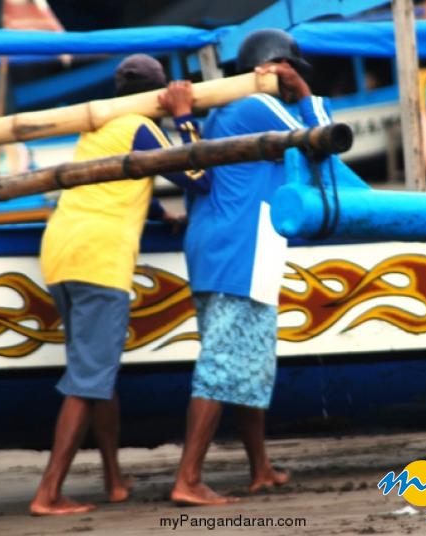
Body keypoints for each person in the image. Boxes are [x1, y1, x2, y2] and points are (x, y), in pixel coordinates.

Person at [31, 54, 209, 516]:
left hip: (61, 250)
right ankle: (48, 493)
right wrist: (185, 116)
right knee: (89, 380)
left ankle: (114, 480)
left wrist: (157, 216)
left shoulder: (98, 126)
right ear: (158, 94)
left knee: (97, 373)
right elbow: (198, 174)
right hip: (99, 259)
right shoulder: (140, 125)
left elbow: (116, 182)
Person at [172, 29, 333, 506]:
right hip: (238, 250)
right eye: (289, 74)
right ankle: (188, 479)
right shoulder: (256, 106)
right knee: (222, 365)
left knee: (249, 363)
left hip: (237, 248)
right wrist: (306, 95)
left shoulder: (227, 111)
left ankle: (260, 468)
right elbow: (323, 140)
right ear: (275, 70)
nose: (292, 83)